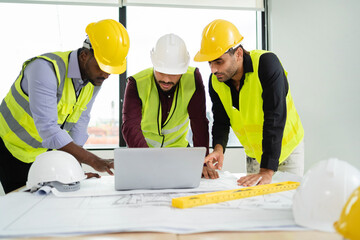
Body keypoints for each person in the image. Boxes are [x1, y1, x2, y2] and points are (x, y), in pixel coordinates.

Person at [0, 19, 130, 194]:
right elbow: (49, 129)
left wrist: (76, 171)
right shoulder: (45, 70)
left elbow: (79, 125)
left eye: (110, 69)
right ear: (84, 55)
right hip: (10, 147)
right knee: (22, 207)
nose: (106, 75)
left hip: (41, 152)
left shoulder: (93, 81)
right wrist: (94, 160)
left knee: (49, 203)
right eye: (102, 66)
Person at [195, 19, 304, 186]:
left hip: (287, 152)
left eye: (219, 61)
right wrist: (218, 149)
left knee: (287, 203)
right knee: (257, 205)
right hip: (255, 155)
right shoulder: (216, 81)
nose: (213, 69)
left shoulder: (267, 65)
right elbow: (221, 120)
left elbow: (274, 117)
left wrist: (267, 171)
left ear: (238, 54)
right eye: (210, 63)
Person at [122, 33, 217, 179]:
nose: (166, 79)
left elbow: (199, 123)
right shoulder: (136, 83)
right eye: (161, 71)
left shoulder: (192, 79)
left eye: (173, 73)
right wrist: (147, 162)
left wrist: (202, 162)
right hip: (144, 153)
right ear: (154, 64)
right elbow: (130, 127)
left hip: (179, 155)